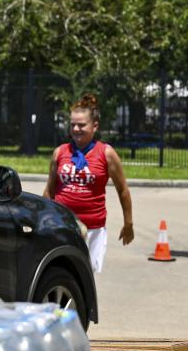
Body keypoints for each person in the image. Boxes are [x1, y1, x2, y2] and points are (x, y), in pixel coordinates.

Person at [43, 94, 134, 273]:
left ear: (95, 126)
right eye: (72, 125)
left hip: (93, 229)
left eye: (81, 125)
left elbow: (123, 190)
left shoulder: (106, 153)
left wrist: (128, 223)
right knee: (63, 270)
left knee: (86, 273)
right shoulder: (60, 152)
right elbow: (50, 190)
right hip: (64, 225)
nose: (76, 129)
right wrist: (46, 220)